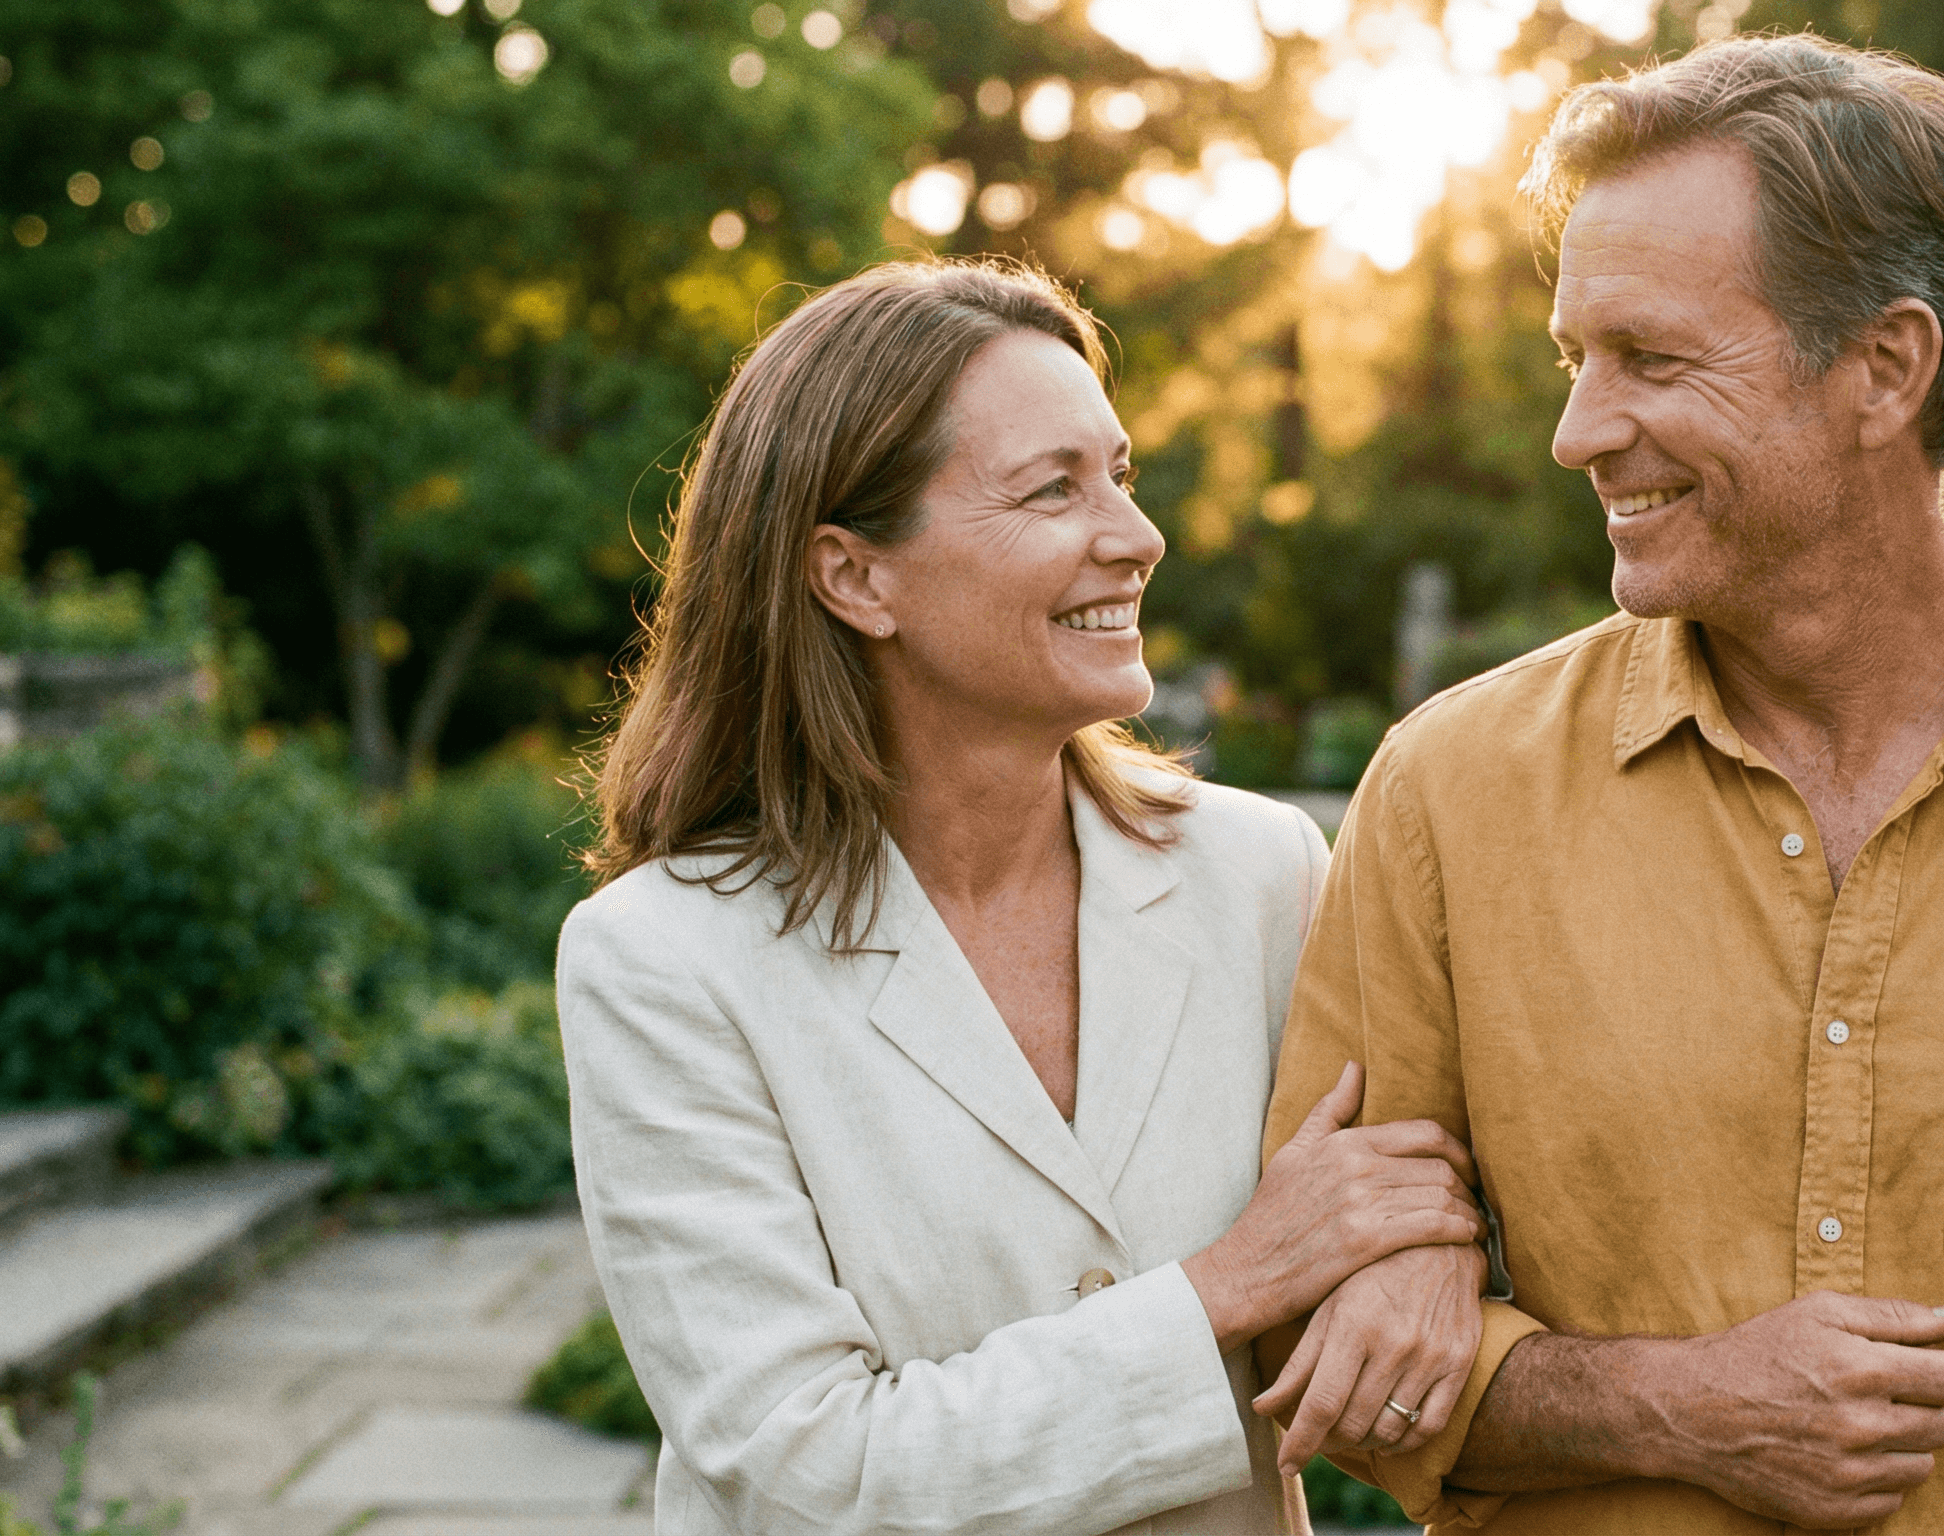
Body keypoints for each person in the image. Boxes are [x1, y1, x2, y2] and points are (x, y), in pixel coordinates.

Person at [1256, 34, 1944, 1536]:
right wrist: (1675, 1404)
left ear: (1886, 368)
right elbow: (1315, 1340)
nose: (1578, 430)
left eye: (1650, 358)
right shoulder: (1451, 794)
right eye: (1574, 359)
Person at [557, 258, 1485, 1536]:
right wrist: (1225, 1286)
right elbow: (810, 1476)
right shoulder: (664, 960)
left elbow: (1409, 1199)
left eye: (1120, 475)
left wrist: (1426, 1248)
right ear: (854, 578)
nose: (1134, 535)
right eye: (1053, 488)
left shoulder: (1261, 873)